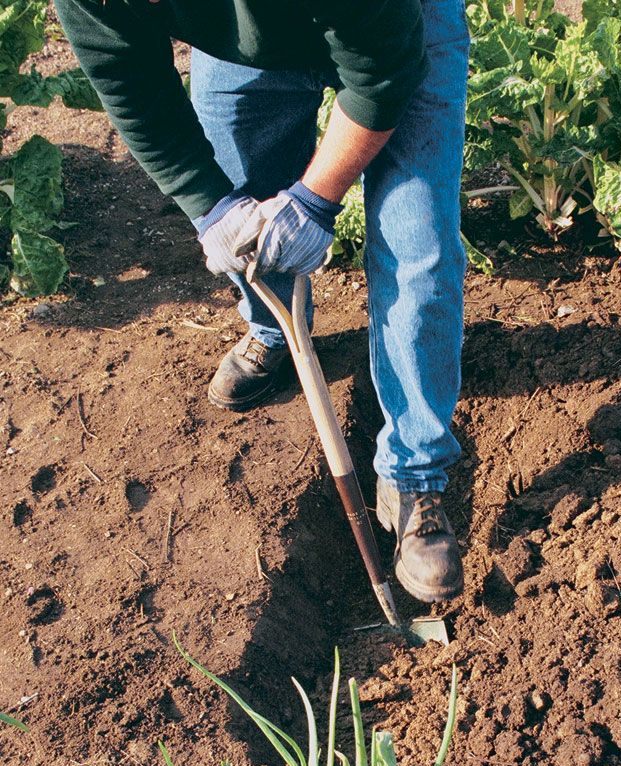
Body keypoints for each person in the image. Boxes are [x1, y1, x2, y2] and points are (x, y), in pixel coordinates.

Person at [53, 0, 469, 604]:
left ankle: (414, 472)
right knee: (244, 203)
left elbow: (381, 73)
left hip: (400, 25)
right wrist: (209, 207)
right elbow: (128, 81)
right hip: (241, 40)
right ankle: (273, 330)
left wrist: (317, 201)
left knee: (417, 239)